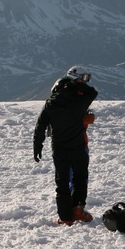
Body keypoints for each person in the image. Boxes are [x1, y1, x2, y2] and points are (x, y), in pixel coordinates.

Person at [33, 66, 98, 225]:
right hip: (78, 146)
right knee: (80, 179)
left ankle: (65, 218)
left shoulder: (51, 103)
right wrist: (78, 85)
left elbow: (40, 126)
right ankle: (78, 209)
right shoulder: (79, 100)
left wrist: (37, 146)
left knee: (62, 183)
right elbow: (92, 92)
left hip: (59, 148)